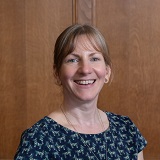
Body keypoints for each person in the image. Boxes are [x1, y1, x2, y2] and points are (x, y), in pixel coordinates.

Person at [14, 24, 147, 160]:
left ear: (107, 71)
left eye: (94, 59)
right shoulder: (38, 140)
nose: (85, 69)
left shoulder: (127, 130)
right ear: (57, 73)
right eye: (73, 60)